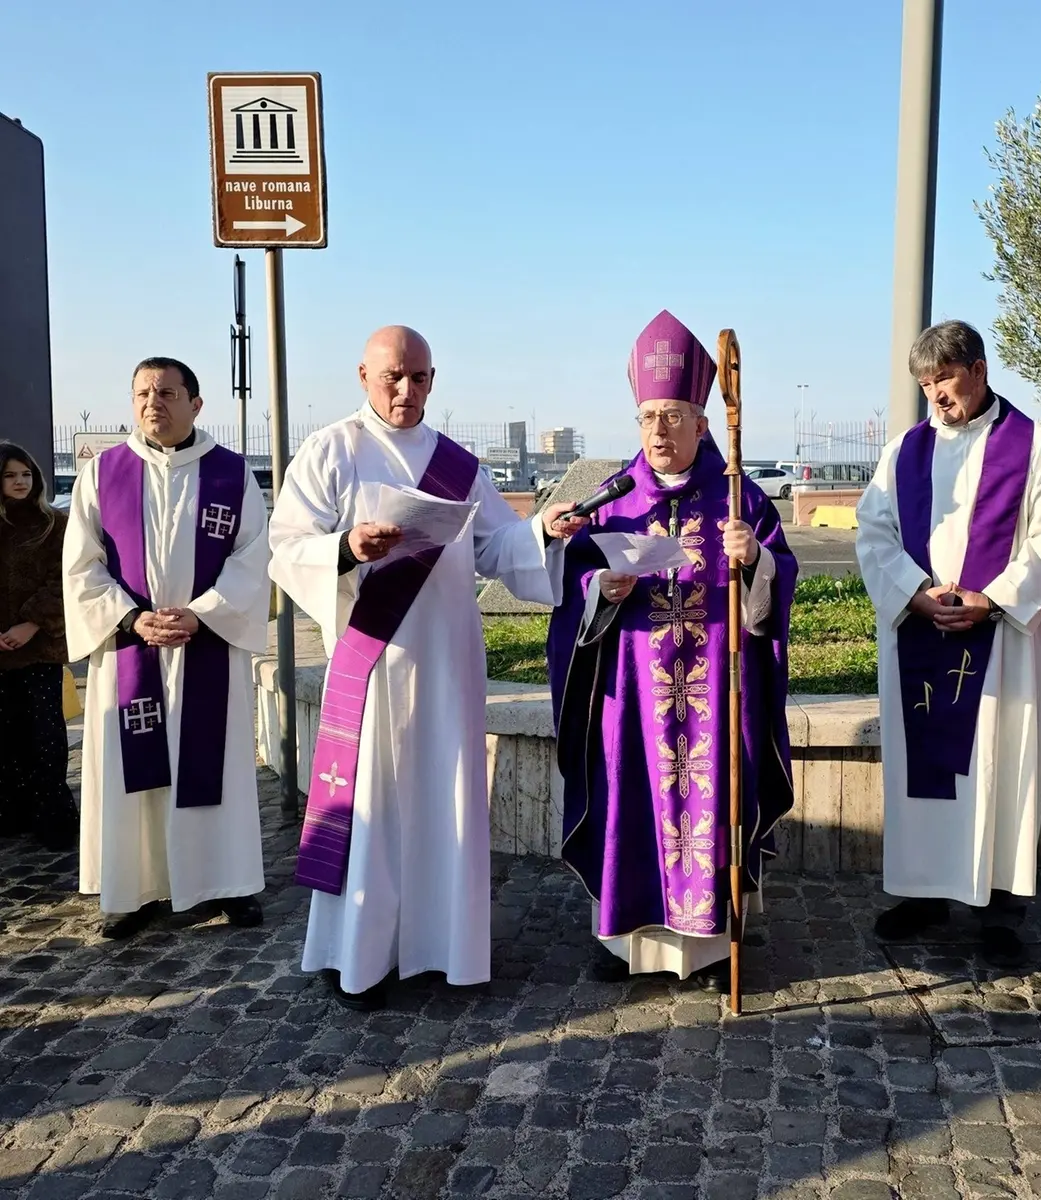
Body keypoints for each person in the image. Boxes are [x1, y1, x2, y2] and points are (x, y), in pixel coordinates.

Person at [267, 325, 586, 1011]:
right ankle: (362, 955)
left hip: (445, 663)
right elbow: (286, 546)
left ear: (434, 380)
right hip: (373, 662)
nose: (406, 390)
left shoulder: (457, 463)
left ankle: (444, 948)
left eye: (419, 378)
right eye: (393, 377)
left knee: (444, 802)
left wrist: (542, 532)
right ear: (363, 375)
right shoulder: (332, 451)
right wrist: (347, 548)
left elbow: (497, 547)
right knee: (374, 807)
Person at [547, 311, 798, 993]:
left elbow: (773, 591)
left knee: (712, 809)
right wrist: (602, 585)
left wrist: (756, 566)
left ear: (703, 425)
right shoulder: (612, 503)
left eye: (673, 417)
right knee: (628, 799)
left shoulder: (740, 499)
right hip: (632, 697)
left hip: (714, 697)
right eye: (648, 417)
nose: (658, 431)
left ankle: (712, 945)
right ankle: (625, 942)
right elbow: (570, 593)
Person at [855, 320, 1041, 968]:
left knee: (1000, 767)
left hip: (998, 645)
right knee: (927, 775)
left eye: (944, 381)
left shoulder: (1032, 446)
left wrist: (994, 597)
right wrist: (913, 591)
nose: (936, 398)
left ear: (978, 370)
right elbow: (873, 534)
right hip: (921, 637)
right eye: (926, 387)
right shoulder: (905, 452)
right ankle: (923, 893)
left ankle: (999, 913)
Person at [63, 357, 270, 939]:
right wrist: (131, 618)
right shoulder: (104, 472)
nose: (153, 402)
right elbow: (81, 566)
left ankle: (228, 884)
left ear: (196, 404)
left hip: (207, 648)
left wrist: (202, 616)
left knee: (214, 771)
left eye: (168, 392)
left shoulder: (232, 474)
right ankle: (135, 890)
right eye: (142, 393)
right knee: (136, 775)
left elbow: (253, 558)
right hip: (132, 650)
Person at [0, 443, 78, 850]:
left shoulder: (55, 525)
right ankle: (11, 812)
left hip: (39, 647)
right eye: (11, 475)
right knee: (6, 735)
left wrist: (31, 623)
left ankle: (53, 816)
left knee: (45, 734)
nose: (20, 482)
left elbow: (65, 580)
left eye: (26, 475)